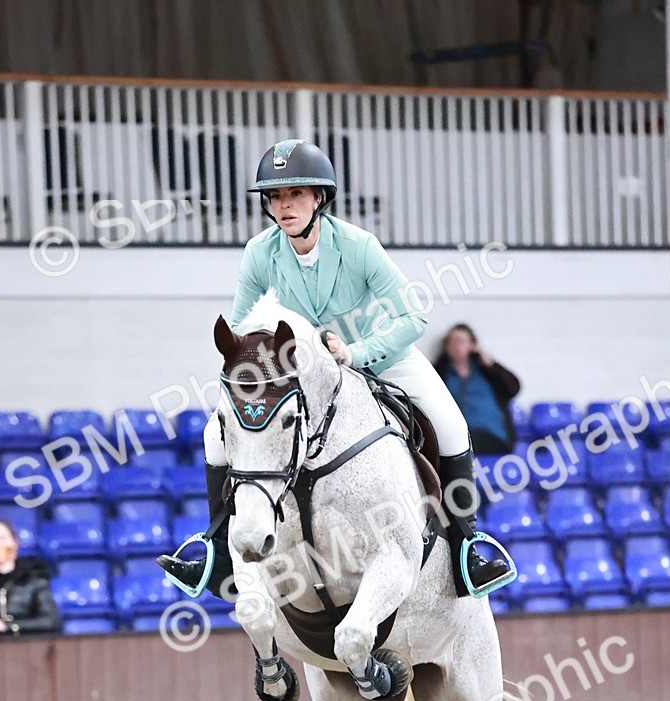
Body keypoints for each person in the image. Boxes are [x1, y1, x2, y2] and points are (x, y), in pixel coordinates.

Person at [159, 139, 512, 600]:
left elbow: (414, 318)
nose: (284, 207)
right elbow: (244, 327)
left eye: (295, 195)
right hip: (308, 373)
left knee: (451, 424)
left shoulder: (358, 246)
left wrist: (357, 352)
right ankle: (219, 548)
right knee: (213, 434)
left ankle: (469, 548)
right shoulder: (260, 252)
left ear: (319, 198)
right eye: (275, 198)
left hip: (381, 360)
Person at [434, 324, 521, 456]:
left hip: (492, 433)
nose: (456, 346)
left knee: (460, 445)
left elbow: (513, 389)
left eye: (461, 342)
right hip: (457, 435)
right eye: (451, 342)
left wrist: (489, 362)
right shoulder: (440, 372)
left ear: (472, 345)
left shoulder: (485, 370)